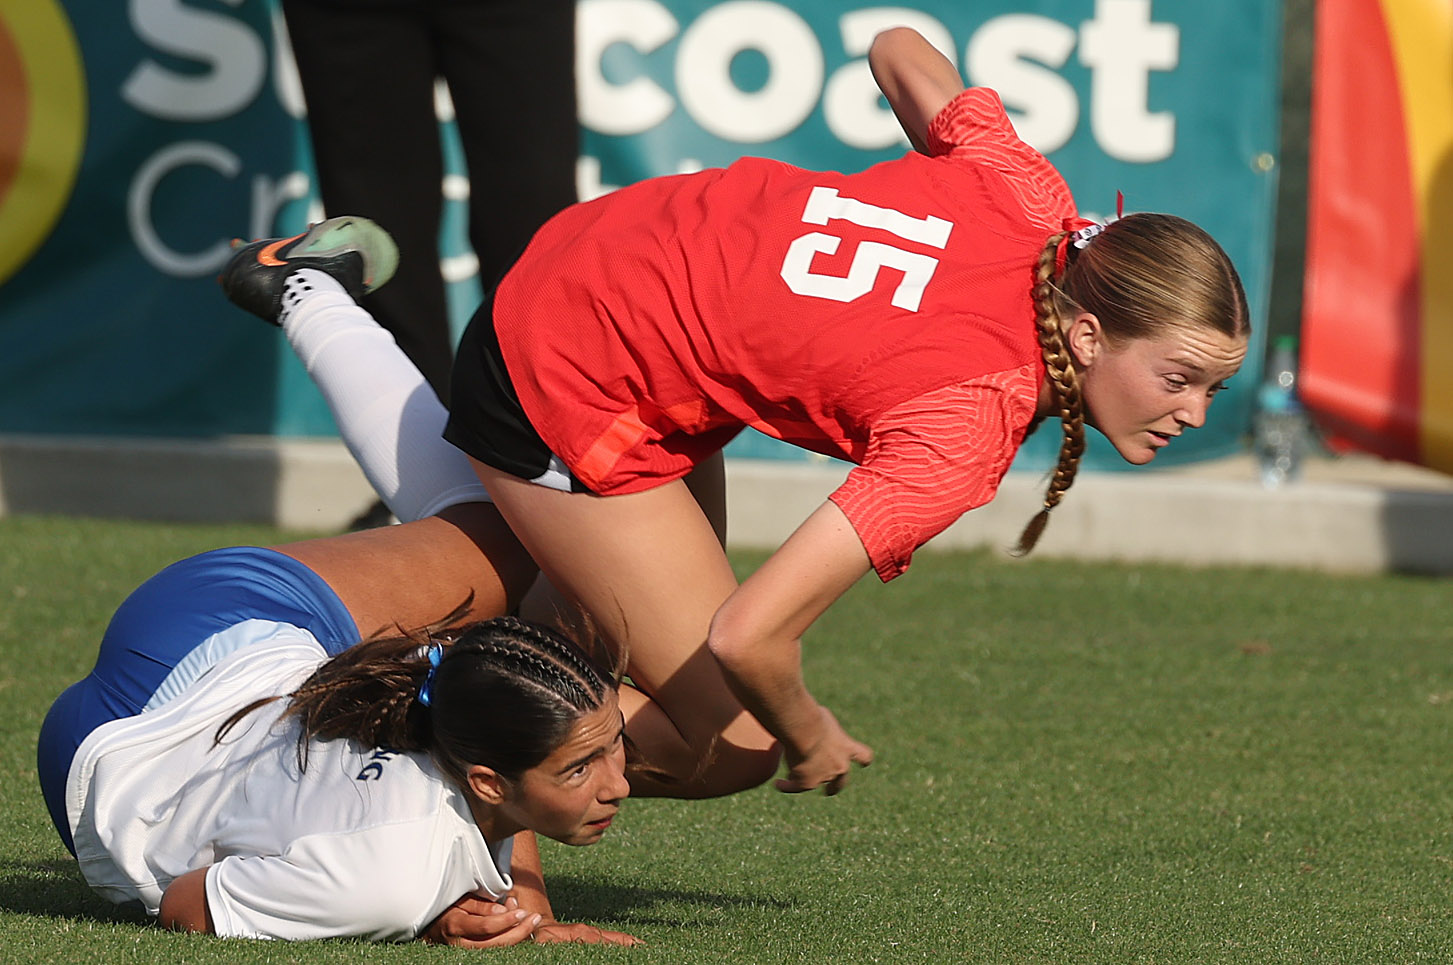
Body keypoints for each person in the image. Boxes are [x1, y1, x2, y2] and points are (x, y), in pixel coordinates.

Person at [220, 27, 1252, 804]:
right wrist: (809, 736)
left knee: (559, 637)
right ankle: (323, 765)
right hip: (582, 355)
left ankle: (304, 292)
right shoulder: (966, 423)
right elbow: (752, 637)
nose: (1195, 412)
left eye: (1211, 386)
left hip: (616, 269)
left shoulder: (1035, 201)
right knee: (726, 743)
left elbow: (897, 45)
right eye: (1179, 378)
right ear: (1083, 335)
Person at [38, 237, 636, 943]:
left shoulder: (420, 825)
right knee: (530, 538)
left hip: (160, 693)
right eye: (579, 766)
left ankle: (307, 289)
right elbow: (186, 908)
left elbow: (500, 747)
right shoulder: (386, 883)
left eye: (610, 746)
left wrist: (513, 910)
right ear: (486, 779)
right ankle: (301, 289)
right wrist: (448, 915)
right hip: (170, 686)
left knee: (509, 537)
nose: (620, 785)